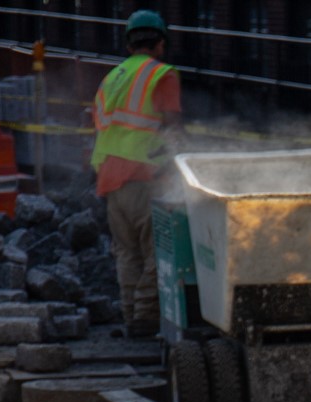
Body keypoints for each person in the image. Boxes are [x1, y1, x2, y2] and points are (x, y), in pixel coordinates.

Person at [90, 9, 184, 339]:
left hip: (109, 177)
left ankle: (131, 315)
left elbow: (103, 125)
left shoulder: (113, 77)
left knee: (127, 253)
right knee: (158, 251)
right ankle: (146, 317)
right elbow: (171, 125)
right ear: (160, 43)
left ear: (129, 43)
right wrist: (176, 164)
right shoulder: (162, 74)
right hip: (145, 173)